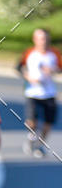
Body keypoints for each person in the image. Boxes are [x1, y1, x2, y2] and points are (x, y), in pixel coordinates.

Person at [18, 28, 62, 158]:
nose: (43, 41)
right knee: (32, 121)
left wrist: (54, 70)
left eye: (46, 38)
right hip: (33, 92)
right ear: (35, 39)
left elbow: (60, 68)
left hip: (49, 93)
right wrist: (29, 77)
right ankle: (31, 138)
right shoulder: (29, 53)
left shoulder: (54, 53)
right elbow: (19, 67)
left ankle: (40, 145)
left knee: (48, 122)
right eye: (40, 38)